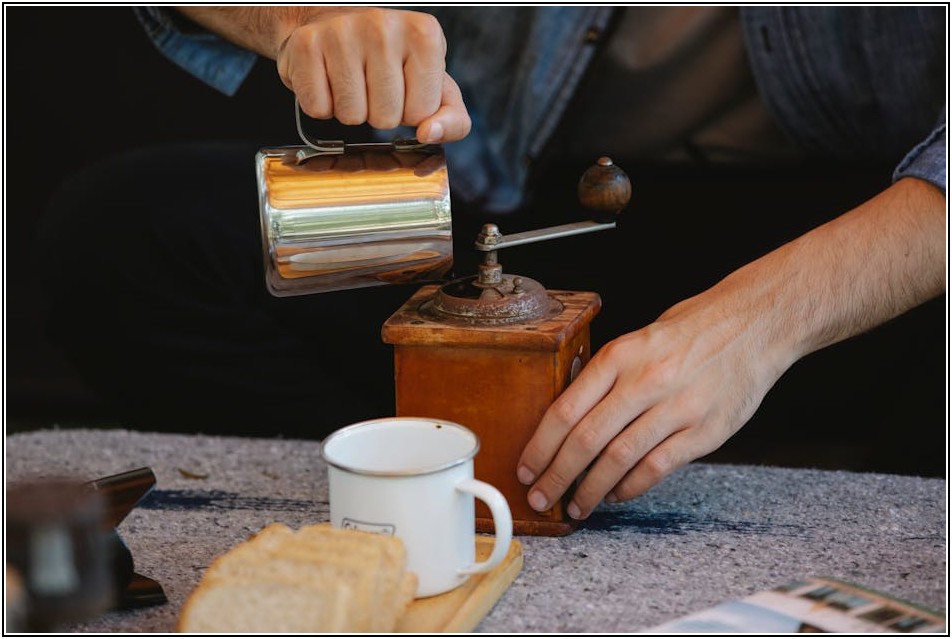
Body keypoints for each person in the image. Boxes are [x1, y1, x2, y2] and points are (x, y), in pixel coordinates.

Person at [42, 7, 945, 520]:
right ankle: (424, 508)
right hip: (517, 187)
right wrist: (302, 22)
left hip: (859, 242)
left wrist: (758, 325)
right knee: (125, 234)